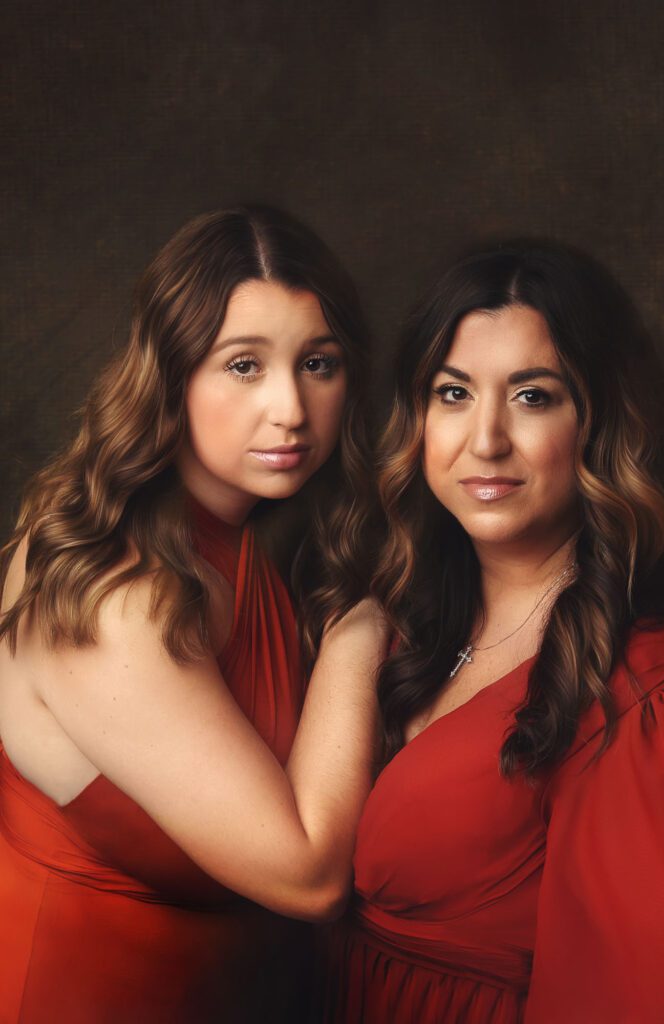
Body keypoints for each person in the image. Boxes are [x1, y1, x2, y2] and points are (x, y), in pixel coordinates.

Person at [330, 240, 664, 1023]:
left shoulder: (658, 695)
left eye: (533, 397)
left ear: (599, 423)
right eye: (454, 393)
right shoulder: (408, 621)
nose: (486, 439)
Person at [0, 206, 383, 1023]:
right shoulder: (111, 581)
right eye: (243, 365)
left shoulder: (241, 539)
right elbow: (309, 877)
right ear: (171, 372)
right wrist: (361, 635)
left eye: (318, 363)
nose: (289, 407)